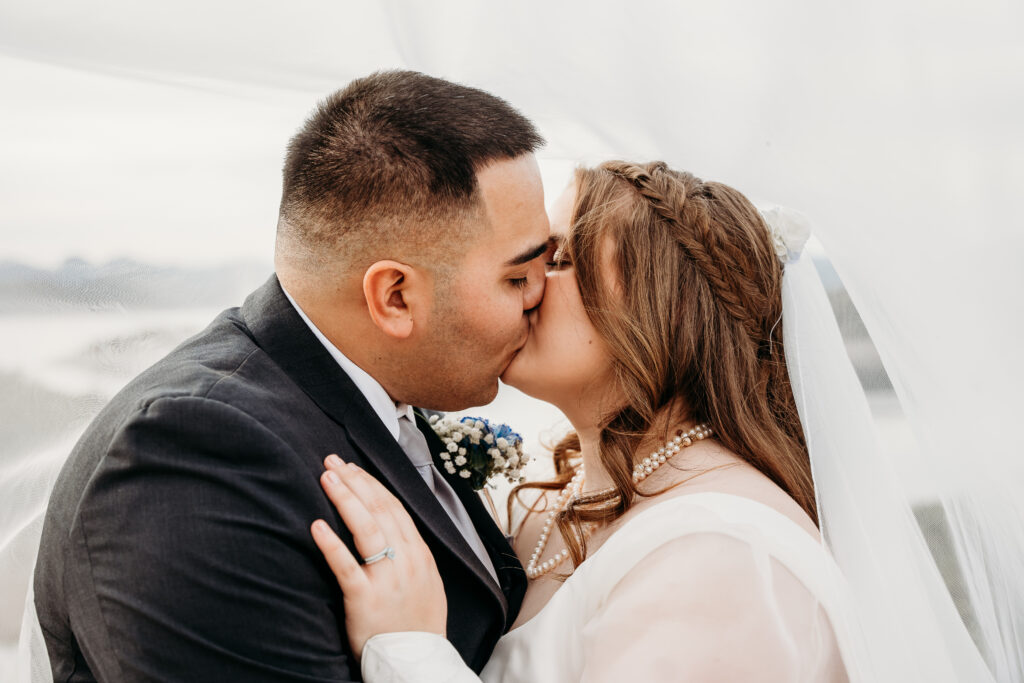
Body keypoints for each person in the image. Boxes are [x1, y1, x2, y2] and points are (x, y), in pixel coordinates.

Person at [308, 161, 999, 681]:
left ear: (662, 310)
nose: (523, 283)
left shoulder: (725, 552)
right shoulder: (561, 507)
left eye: (560, 259)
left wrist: (411, 652)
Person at [31, 70, 549, 681]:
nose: (541, 296)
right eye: (517, 278)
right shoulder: (196, 457)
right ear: (396, 298)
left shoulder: (366, 393)